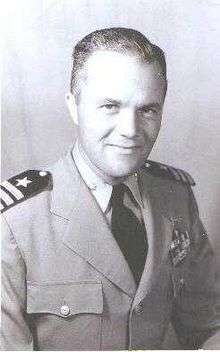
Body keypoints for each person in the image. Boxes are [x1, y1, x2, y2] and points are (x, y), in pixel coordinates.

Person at [1, 27, 220, 350]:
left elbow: (209, 325)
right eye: (110, 106)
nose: (130, 131)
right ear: (73, 106)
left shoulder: (175, 197)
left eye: (147, 109)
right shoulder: (14, 223)